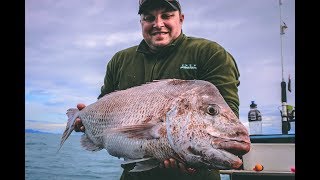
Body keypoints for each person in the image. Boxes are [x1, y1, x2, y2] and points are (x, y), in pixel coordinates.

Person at [74, 0, 240, 179]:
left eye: (167, 16)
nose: (158, 24)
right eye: (149, 18)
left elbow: (227, 114)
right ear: (141, 23)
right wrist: (85, 120)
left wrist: (193, 161)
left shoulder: (210, 53)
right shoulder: (119, 60)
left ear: (181, 19)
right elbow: (103, 106)